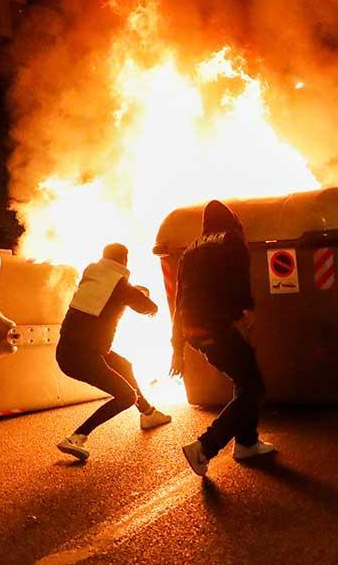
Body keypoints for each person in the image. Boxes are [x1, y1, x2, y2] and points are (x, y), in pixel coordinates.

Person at [174, 201, 274, 477]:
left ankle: (246, 442)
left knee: (245, 379)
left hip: (192, 327)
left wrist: (177, 345)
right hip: (216, 324)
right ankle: (205, 446)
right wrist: (244, 309)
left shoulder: (190, 250)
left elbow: (179, 298)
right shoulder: (231, 239)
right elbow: (237, 279)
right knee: (254, 386)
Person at [55, 243, 171, 461]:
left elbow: (111, 295)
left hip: (72, 350)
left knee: (124, 365)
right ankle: (77, 437)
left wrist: (131, 291)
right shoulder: (121, 286)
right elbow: (149, 307)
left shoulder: (91, 275)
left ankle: (148, 413)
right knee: (126, 396)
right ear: (124, 261)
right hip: (82, 356)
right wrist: (141, 294)